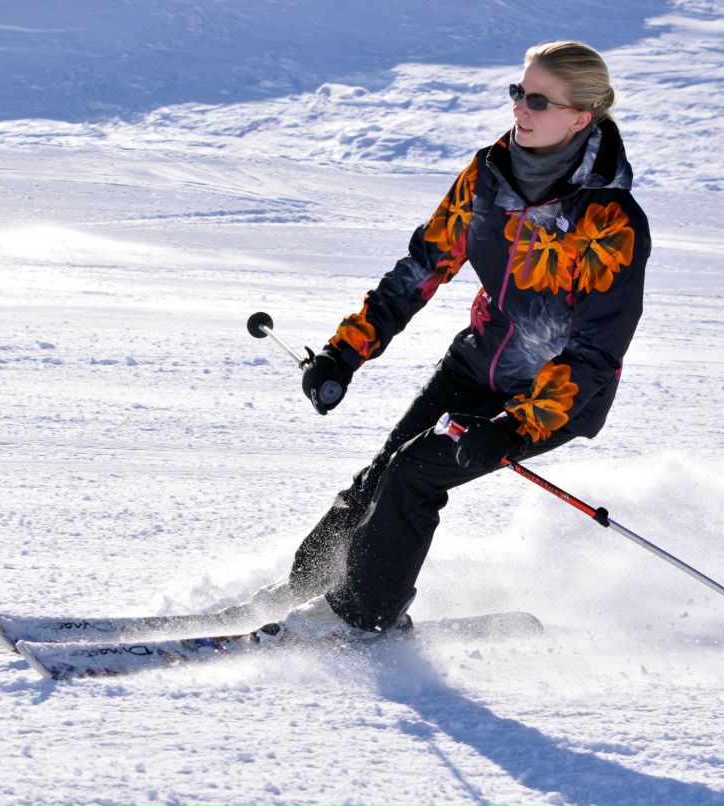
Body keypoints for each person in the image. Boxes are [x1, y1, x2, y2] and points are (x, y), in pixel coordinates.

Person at [249, 40, 651, 641]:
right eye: (518, 92)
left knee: (416, 473)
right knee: (382, 471)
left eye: (538, 99)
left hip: (551, 397)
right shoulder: (488, 174)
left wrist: (513, 429)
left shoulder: (610, 221)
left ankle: (360, 615)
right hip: (477, 363)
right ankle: (311, 584)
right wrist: (345, 351)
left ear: (580, 117)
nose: (520, 107)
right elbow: (422, 267)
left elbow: (595, 351)